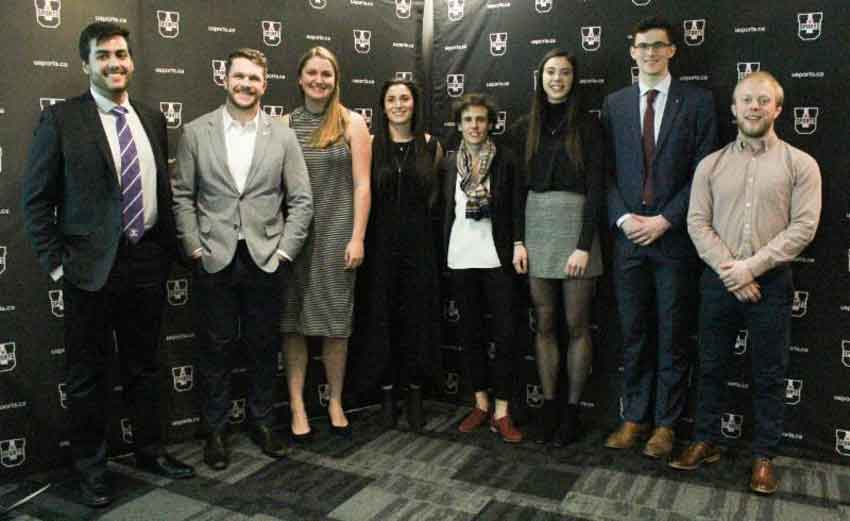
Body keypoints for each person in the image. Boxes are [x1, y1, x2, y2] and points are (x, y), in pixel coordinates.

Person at [22, 22, 194, 507]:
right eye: (103, 56)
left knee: (146, 367)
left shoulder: (151, 117)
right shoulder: (61, 119)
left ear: (131, 61)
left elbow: (159, 190)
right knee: (87, 377)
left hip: (146, 262)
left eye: (121, 54)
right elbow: (36, 201)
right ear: (86, 64)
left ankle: (150, 451)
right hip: (89, 271)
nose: (114, 63)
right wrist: (59, 267)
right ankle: (91, 470)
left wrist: (167, 254)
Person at [671, 71, 821, 495]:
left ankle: (764, 456)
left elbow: (804, 227)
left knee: (770, 372)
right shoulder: (710, 165)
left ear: (778, 109)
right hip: (719, 281)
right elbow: (697, 223)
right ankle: (705, 440)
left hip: (770, 284)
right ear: (734, 109)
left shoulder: (801, 164)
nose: (754, 107)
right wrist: (731, 271)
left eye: (763, 100)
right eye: (747, 100)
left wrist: (750, 268)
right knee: (711, 366)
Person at [172, 48, 313, 470]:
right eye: (239, 76)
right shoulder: (196, 132)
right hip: (214, 256)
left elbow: (301, 200)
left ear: (264, 84)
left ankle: (262, 422)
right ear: (225, 78)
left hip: (265, 258)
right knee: (214, 348)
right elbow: (182, 195)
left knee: (263, 345)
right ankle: (215, 431)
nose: (246, 84)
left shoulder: (283, 136)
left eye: (254, 78)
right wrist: (194, 246)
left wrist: (284, 251)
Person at [602, 16, 718, 459]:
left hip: (674, 240)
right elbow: (604, 172)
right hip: (628, 238)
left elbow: (704, 172)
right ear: (632, 52)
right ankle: (635, 417)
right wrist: (621, 218)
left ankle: (666, 425)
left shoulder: (698, 102)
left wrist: (666, 219)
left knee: (672, 333)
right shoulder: (614, 104)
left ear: (672, 51)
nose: (650, 52)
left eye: (658, 45)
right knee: (634, 332)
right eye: (642, 46)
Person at [510, 48, 605, 446]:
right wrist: (518, 240)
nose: (557, 79)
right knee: (545, 324)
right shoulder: (524, 127)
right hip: (536, 227)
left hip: (576, 228)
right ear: (541, 77)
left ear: (573, 78)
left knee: (577, 324)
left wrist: (583, 245)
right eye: (551, 72)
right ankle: (549, 407)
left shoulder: (589, 126)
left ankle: (571, 412)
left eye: (564, 72)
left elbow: (597, 189)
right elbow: (517, 191)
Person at [281, 46, 371, 440]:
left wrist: (358, 237)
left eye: (327, 74)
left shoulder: (352, 123)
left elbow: (363, 185)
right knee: (294, 326)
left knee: (336, 327)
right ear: (300, 79)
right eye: (312, 73)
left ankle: (335, 401)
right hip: (295, 239)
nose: (319, 80)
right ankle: (297, 406)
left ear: (336, 81)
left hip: (338, 237)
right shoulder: (284, 125)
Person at [359, 79, 443, 431]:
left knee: (418, 321)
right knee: (382, 320)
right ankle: (387, 393)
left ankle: (415, 392)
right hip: (379, 247)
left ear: (414, 103)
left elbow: (436, 199)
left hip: (420, 247)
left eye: (404, 98)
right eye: (391, 99)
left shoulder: (431, 145)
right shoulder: (370, 144)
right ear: (383, 106)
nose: (398, 104)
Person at [442, 93, 524, 443]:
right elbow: (444, 210)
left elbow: (518, 205)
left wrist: (519, 242)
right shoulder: (450, 162)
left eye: (480, 119)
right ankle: (480, 403)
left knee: (505, 334)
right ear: (459, 125)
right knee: (470, 333)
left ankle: (502, 412)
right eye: (468, 120)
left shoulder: (506, 159)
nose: (474, 126)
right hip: (461, 255)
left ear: (490, 124)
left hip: (497, 256)